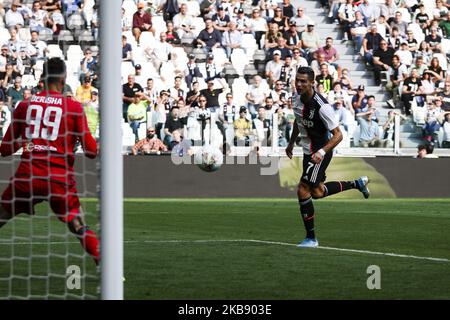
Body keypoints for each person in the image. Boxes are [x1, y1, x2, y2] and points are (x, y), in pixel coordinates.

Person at [0, 57, 99, 265]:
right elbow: (91, 151)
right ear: (63, 80)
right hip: (59, 180)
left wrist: (26, 144)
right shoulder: (73, 107)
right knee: (79, 225)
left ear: (42, 79)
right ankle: (107, 268)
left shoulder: (24, 105)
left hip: (28, 177)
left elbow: (4, 150)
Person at [285, 67, 370, 248]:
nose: (299, 84)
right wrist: (291, 143)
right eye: (297, 80)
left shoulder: (323, 107)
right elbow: (298, 121)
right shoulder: (295, 98)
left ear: (312, 83)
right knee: (317, 192)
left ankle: (311, 238)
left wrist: (321, 152)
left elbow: (338, 135)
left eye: (303, 81)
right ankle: (357, 184)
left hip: (321, 151)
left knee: (303, 189)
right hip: (308, 151)